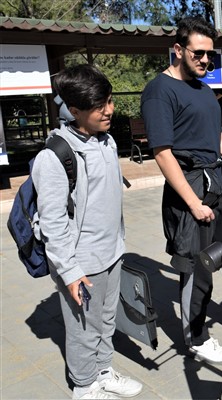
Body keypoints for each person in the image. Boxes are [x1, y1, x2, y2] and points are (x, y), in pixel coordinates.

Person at [141, 17, 222, 366]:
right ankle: (197, 337)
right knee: (198, 266)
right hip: (191, 188)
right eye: (199, 53)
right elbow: (162, 153)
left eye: (211, 55)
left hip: (221, 183)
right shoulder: (159, 90)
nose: (206, 60)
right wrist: (192, 203)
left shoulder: (205, 91)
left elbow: (219, 137)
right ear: (178, 50)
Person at [32, 64, 143, 399]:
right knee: (83, 328)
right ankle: (84, 386)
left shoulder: (105, 140)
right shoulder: (54, 157)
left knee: (107, 320)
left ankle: (103, 370)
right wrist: (70, 272)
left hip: (111, 252)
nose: (109, 110)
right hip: (81, 263)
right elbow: (52, 223)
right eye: (100, 106)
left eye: (109, 101)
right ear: (75, 110)